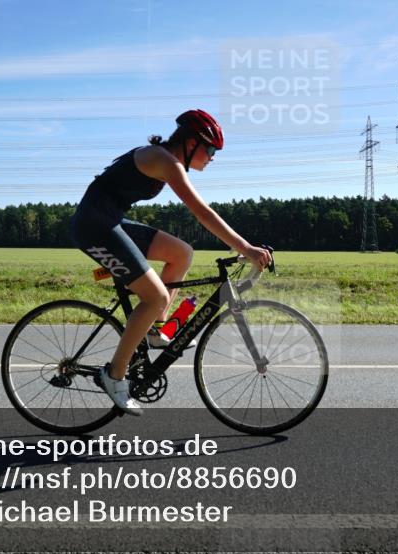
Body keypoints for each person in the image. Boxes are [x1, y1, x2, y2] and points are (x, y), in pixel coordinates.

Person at [69, 109, 272, 415]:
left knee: (182, 253)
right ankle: (114, 375)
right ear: (191, 143)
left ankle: (154, 331)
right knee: (155, 297)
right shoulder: (165, 161)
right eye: (211, 149)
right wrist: (245, 246)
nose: (213, 157)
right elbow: (202, 212)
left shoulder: (164, 159)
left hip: (109, 221)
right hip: (93, 227)